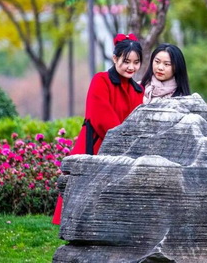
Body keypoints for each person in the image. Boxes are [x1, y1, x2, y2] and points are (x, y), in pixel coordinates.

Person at [52, 33, 144, 225]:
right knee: (84, 196)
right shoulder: (101, 80)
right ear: (115, 58)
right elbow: (100, 115)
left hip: (125, 148)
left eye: (136, 62)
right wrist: (122, 141)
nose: (131, 67)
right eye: (126, 61)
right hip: (96, 144)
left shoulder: (139, 90)